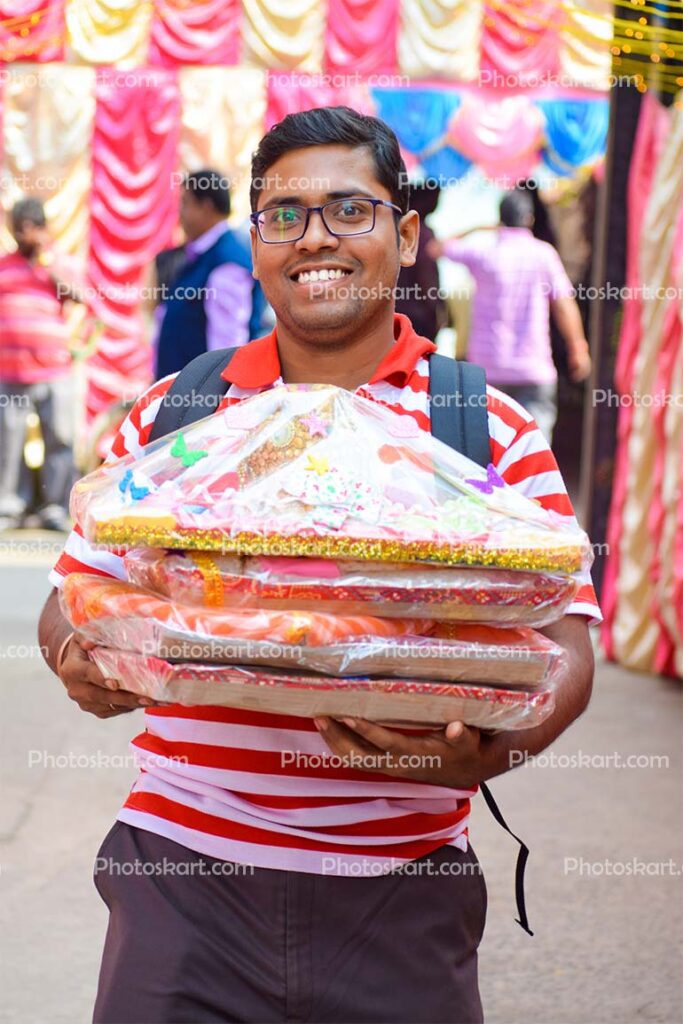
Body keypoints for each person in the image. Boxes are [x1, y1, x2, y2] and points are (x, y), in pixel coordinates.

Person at [38, 107, 599, 1024]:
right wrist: (81, 658)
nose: (315, 240)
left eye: (350, 210)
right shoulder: (177, 419)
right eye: (284, 214)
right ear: (257, 239)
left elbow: (565, 643)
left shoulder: (485, 429)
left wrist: (488, 754)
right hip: (180, 881)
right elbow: (72, 598)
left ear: (404, 233)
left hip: (400, 888)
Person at [429, 190, 591, 441]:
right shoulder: (543, 254)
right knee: (534, 452)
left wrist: (481, 229)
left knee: (487, 450)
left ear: (500, 219)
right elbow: (563, 304)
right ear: (530, 219)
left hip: (488, 370)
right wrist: (578, 346)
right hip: (533, 369)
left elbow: (437, 248)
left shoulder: (484, 254)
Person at [0, 198, 84, 530]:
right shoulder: (5, 266)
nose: (24, 236)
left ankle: (55, 508)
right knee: (7, 440)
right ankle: (9, 506)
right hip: (11, 372)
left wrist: (48, 266)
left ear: (43, 229)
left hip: (54, 370)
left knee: (60, 438)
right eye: (17, 230)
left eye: (30, 229)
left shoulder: (60, 264)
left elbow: (81, 296)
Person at [153, 168, 269, 379]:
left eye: (185, 203)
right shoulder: (203, 254)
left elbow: (227, 349)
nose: (179, 213)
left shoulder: (226, 262)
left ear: (205, 207)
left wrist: (214, 403)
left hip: (203, 402)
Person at [394, 179, 447, 340]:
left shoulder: (394, 229)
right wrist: (438, 310)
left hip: (397, 313)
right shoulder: (423, 235)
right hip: (419, 317)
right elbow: (428, 277)